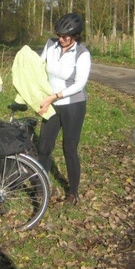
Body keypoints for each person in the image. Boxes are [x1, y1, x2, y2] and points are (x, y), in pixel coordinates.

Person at [37, 13, 91, 206]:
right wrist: (39, 96)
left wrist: (56, 95)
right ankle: (42, 187)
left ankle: (73, 192)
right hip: (51, 103)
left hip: (73, 105)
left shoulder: (82, 53)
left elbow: (80, 83)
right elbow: (39, 67)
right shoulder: (51, 45)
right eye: (59, 35)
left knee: (69, 148)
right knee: (44, 146)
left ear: (75, 36)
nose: (61, 39)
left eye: (65, 37)